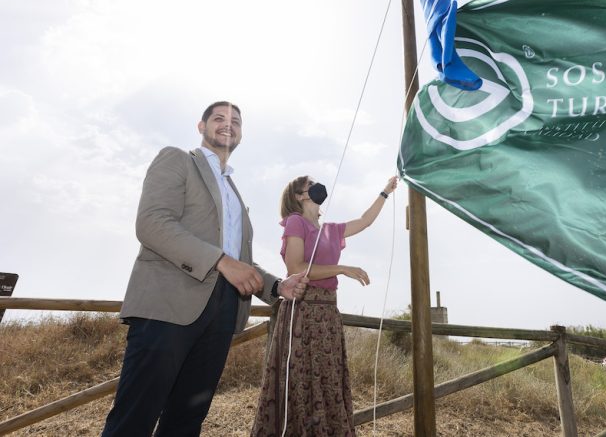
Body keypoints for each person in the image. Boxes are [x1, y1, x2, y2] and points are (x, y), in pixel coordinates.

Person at [102, 101, 308, 437]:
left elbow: (239, 260)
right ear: (201, 126)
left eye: (236, 121)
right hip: (167, 307)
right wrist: (221, 261)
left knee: (185, 422)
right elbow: (152, 223)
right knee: (134, 419)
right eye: (219, 118)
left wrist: (276, 286)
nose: (228, 124)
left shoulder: (235, 193)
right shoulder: (178, 159)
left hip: (222, 314)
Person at [251, 175, 398, 437]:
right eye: (310, 184)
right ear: (299, 196)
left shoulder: (329, 229)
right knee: (302, 381)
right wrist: (341, 268)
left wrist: (385, 192)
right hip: (303, 314)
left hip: (328, 314)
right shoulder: (296, 223)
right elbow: (295, 267)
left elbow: (365, 221)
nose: (317, 186)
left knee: (327, 380)